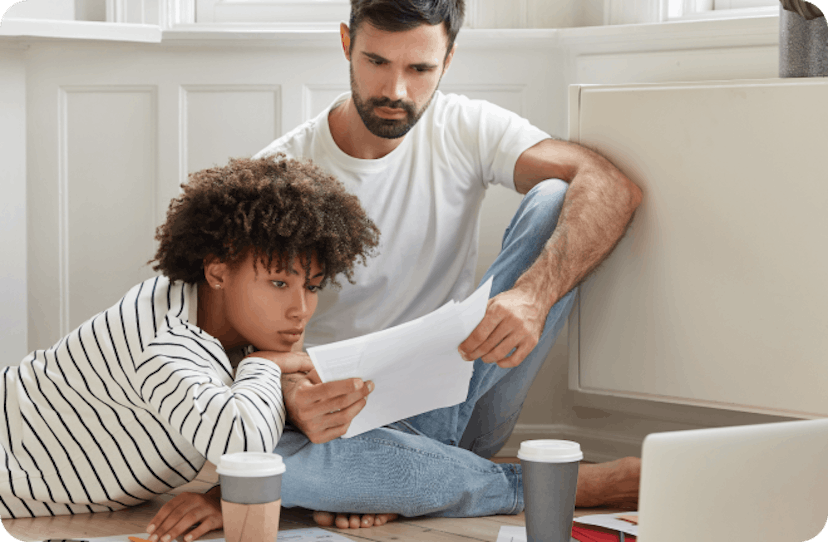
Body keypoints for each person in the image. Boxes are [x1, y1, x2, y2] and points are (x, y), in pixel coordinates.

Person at [147, 0, 644, 539]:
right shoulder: (284, 174)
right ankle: (533, 485)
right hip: (338, 423)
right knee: (267, 454)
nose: (396, 91)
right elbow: (224, 339)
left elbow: (612, 186)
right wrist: (289, 394)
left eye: (419, 68)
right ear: (346, 44)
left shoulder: (465, 127)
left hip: (462, 392)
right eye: (376, 62)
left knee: (559, 196)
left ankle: (402, 483)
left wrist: (532, 296)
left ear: (448, 59)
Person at [0, 156, 379, 521]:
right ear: (217, 273)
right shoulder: (162, 341)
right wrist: (264, 365)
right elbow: (245, 451)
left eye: (311, 286)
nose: (301, 309)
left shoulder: (220, 313)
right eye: (279, 283)